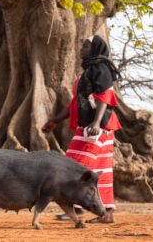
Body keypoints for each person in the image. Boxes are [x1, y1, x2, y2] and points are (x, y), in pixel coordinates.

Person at [42, 35, 122, 223]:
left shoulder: (101, 68)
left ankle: (75, 208)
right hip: (97, 128)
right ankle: (107, 213)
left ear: (96, 49)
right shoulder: (87, 71)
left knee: (74, 165)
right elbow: (76, 103)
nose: (81, 49)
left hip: (97, 127)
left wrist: (95, 123)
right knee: (100, 169)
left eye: (86, 46)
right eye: (82, 45)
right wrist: (55, 120)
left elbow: (105, 96)